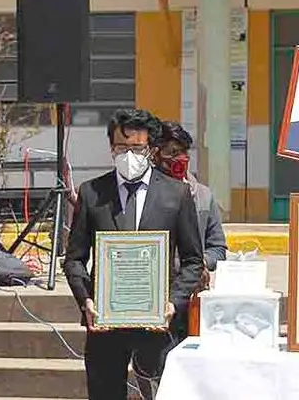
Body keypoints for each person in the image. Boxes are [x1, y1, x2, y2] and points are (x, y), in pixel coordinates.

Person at [63, 109, 204, 400]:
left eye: (137, 148)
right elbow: (74, 259)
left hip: (157, 323)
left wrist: (173, 302)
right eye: (121, 147)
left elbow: (193, 260)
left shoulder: (177, 194)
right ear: (111, 148)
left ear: (151, 149)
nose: (129, 155)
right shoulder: (91, 193)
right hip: (104, 325)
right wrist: (86, 299)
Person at [150, 120, 228, 342]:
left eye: (184, 152)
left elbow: (218, 247)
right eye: (172, 152)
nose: (180, 158)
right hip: (154, 296)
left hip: (191, 297)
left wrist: (201, 263)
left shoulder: (203, 196)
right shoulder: (145, 196)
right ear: (155, 155)